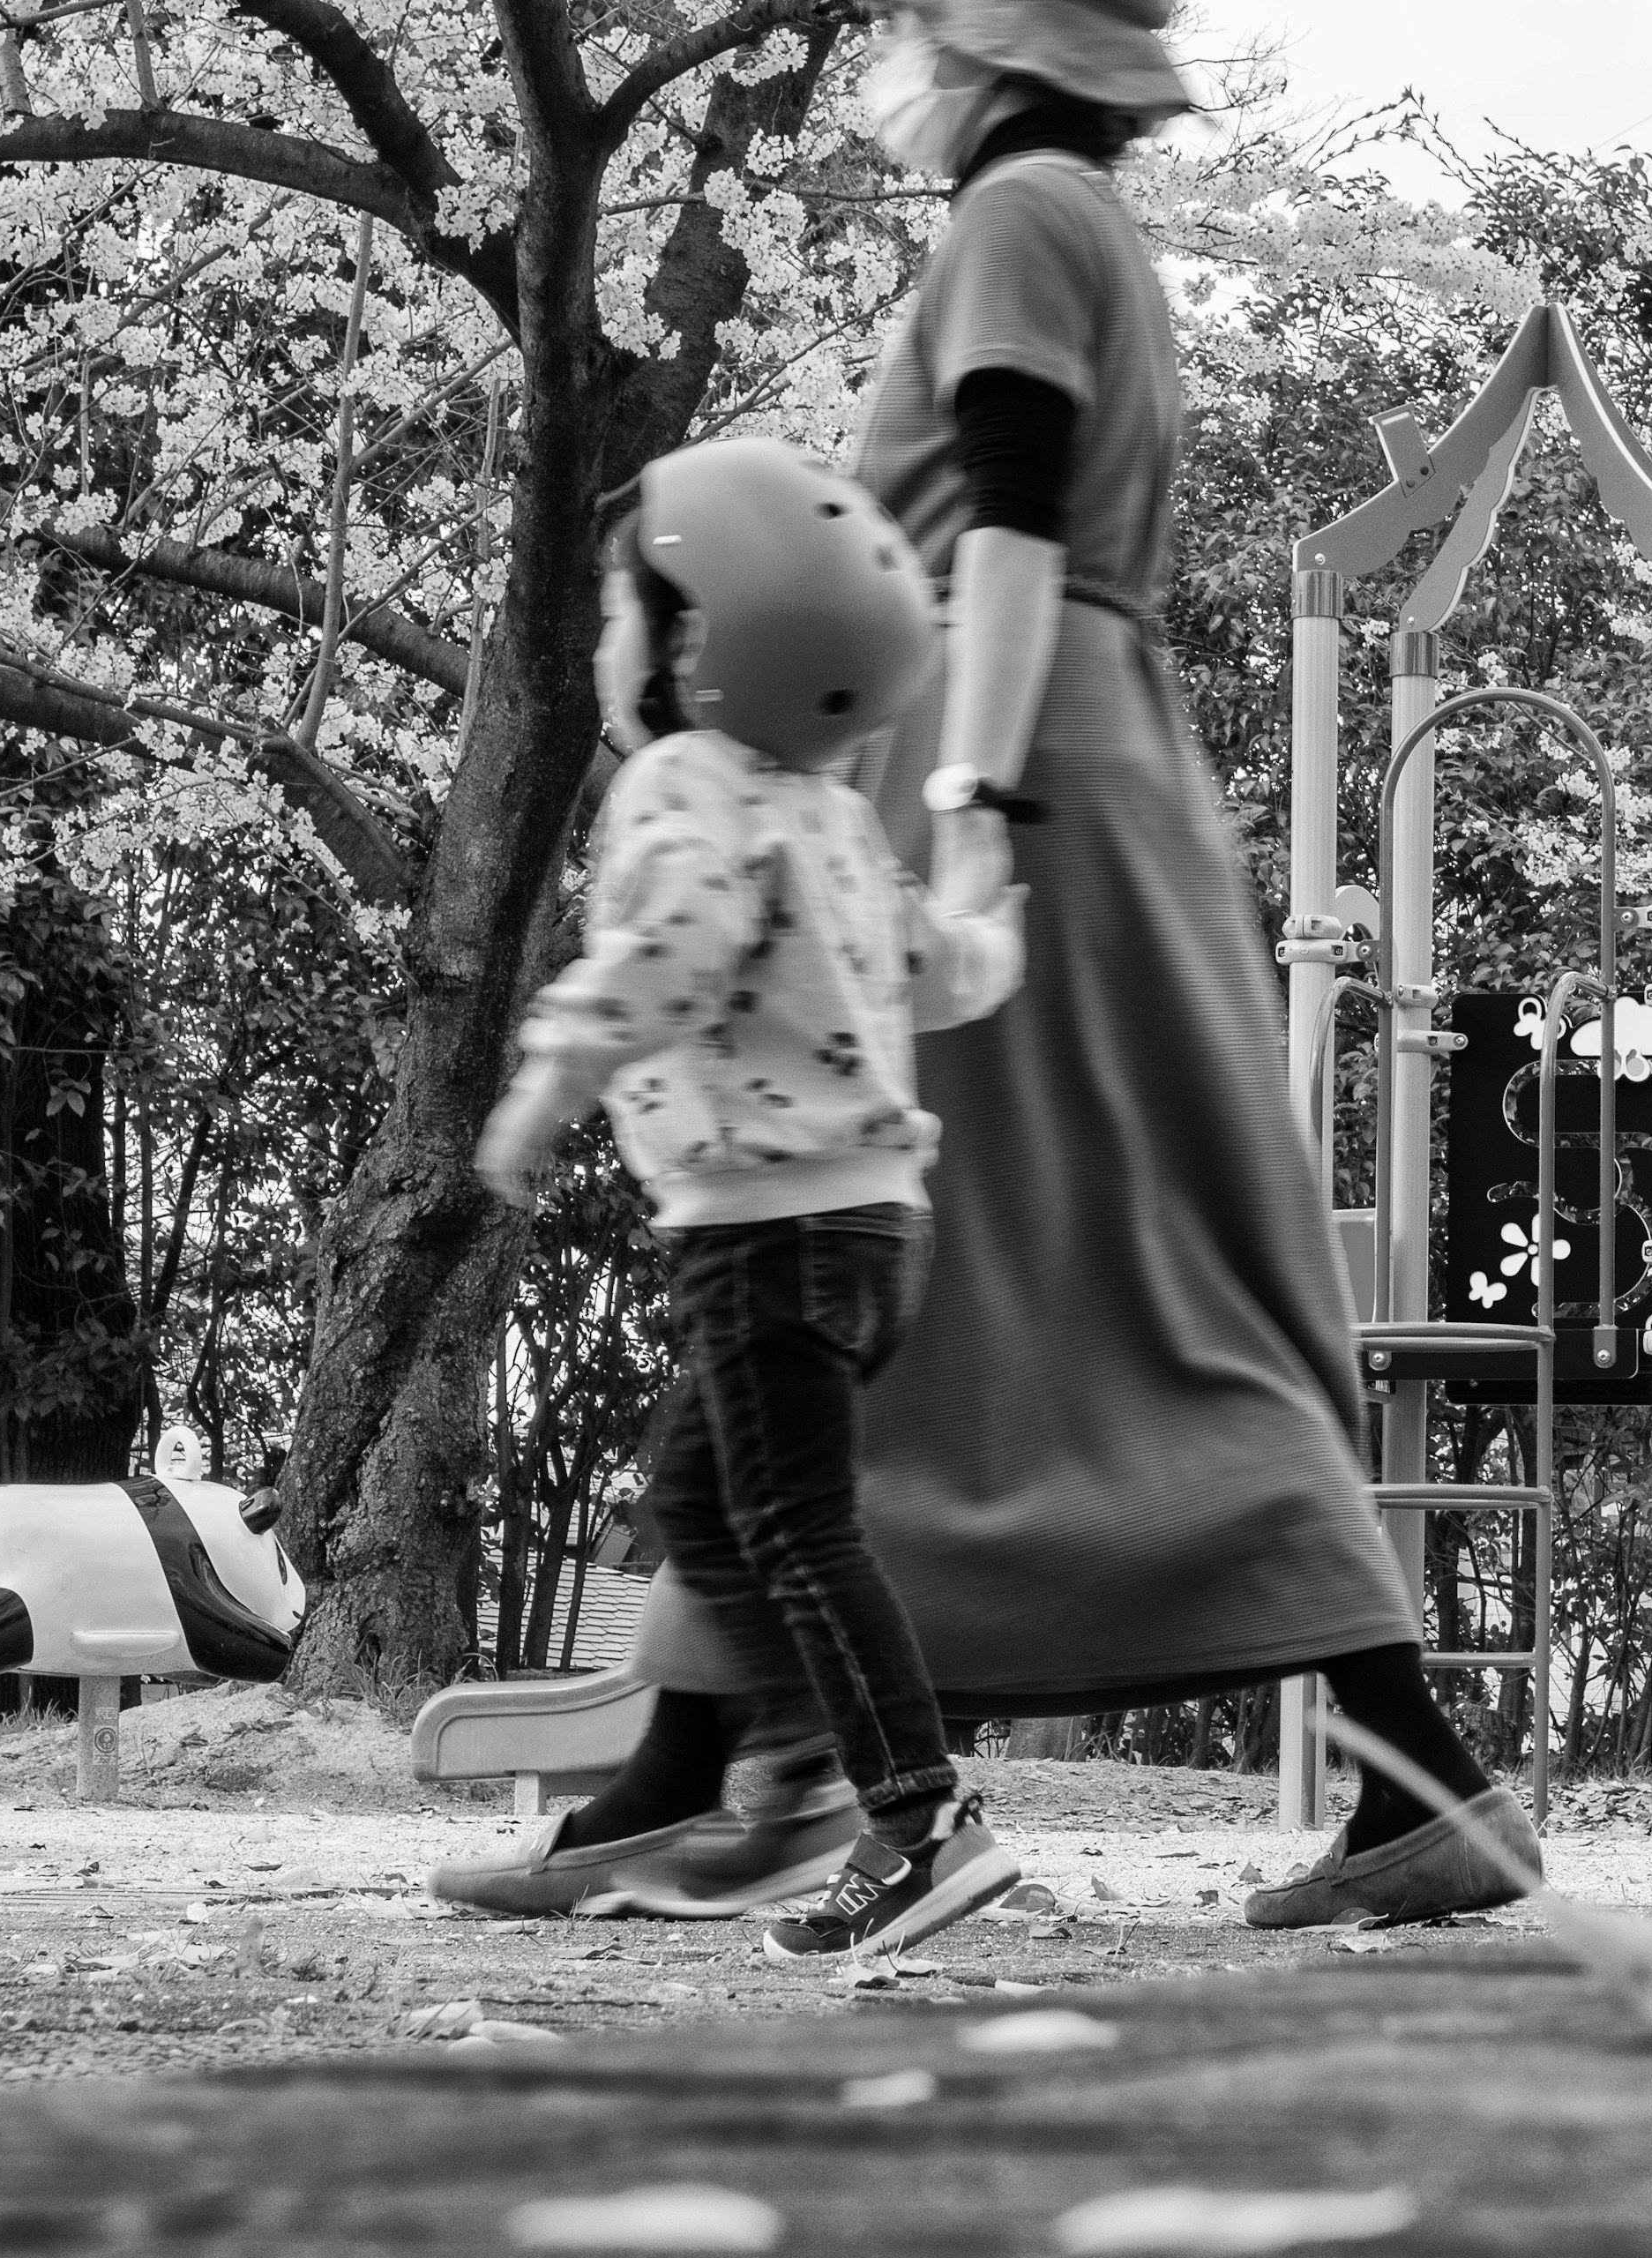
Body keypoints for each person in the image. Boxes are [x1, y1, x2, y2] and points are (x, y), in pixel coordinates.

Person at [847, 0, 1538, 1925]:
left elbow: (1004, 512)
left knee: (939, 1259)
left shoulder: (1014, 218)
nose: (891, 64)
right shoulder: (1084, 220)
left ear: (984, 57)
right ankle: (1420, 1776)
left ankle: (732, 1768)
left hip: (1015, 746)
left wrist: (968, 797)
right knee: (1116, 1260)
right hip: (1093, 746)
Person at [462, 436, 1031, 1963]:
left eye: (618, 616)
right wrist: (988, 911)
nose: (601, 644)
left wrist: (551, 1074)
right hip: (869, 1227)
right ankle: (738, 1779)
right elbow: (945, 964)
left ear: (700, 650)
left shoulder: (685, 784)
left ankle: (915, 1820)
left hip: (763, 1229)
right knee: (706, 1501)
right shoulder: (831, 812)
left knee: (790, 1525)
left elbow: (673, 947)